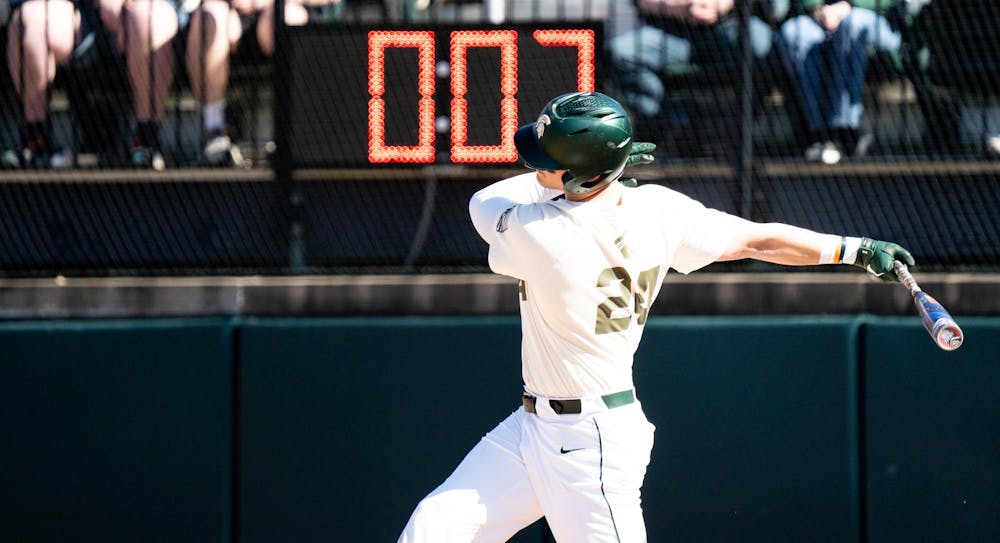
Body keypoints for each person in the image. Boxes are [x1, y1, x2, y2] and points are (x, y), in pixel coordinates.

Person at [396, 91, 914, 542]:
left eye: (549, 161)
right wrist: (855, 249)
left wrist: (600, 169)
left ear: (580, 175)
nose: (537, 167)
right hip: (532, 430)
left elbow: (484, 201)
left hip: (590, 442)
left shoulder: (540, 232)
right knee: (436, 525)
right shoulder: (660, 209)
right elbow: (757, 240)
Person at [3, 0, 186, 170]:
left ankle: (146, 140)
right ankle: (35, 141)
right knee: (28, 22)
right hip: (71, 11)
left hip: (145, 9)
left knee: (147, 21)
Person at [606, 0, 787, 154]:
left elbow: (777, 8)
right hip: (671, 31)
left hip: (731, 26)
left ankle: (733, 130)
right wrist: (680, 7)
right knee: (621, 52)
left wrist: (722, 4)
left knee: (764, 46)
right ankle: (670, 125)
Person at [184, 0, 338, 166]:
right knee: (208, 19)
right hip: (227, 13)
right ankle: (213, 133)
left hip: (282, 9)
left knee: (287, 19)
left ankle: (291, 135)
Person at [777, 0, 904, 164]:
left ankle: (845, 130)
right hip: (823, 19)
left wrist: (848, 7)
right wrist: (818, 11)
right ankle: (819, 134)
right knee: (794, 31)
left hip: (878, 17)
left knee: (852, 23)